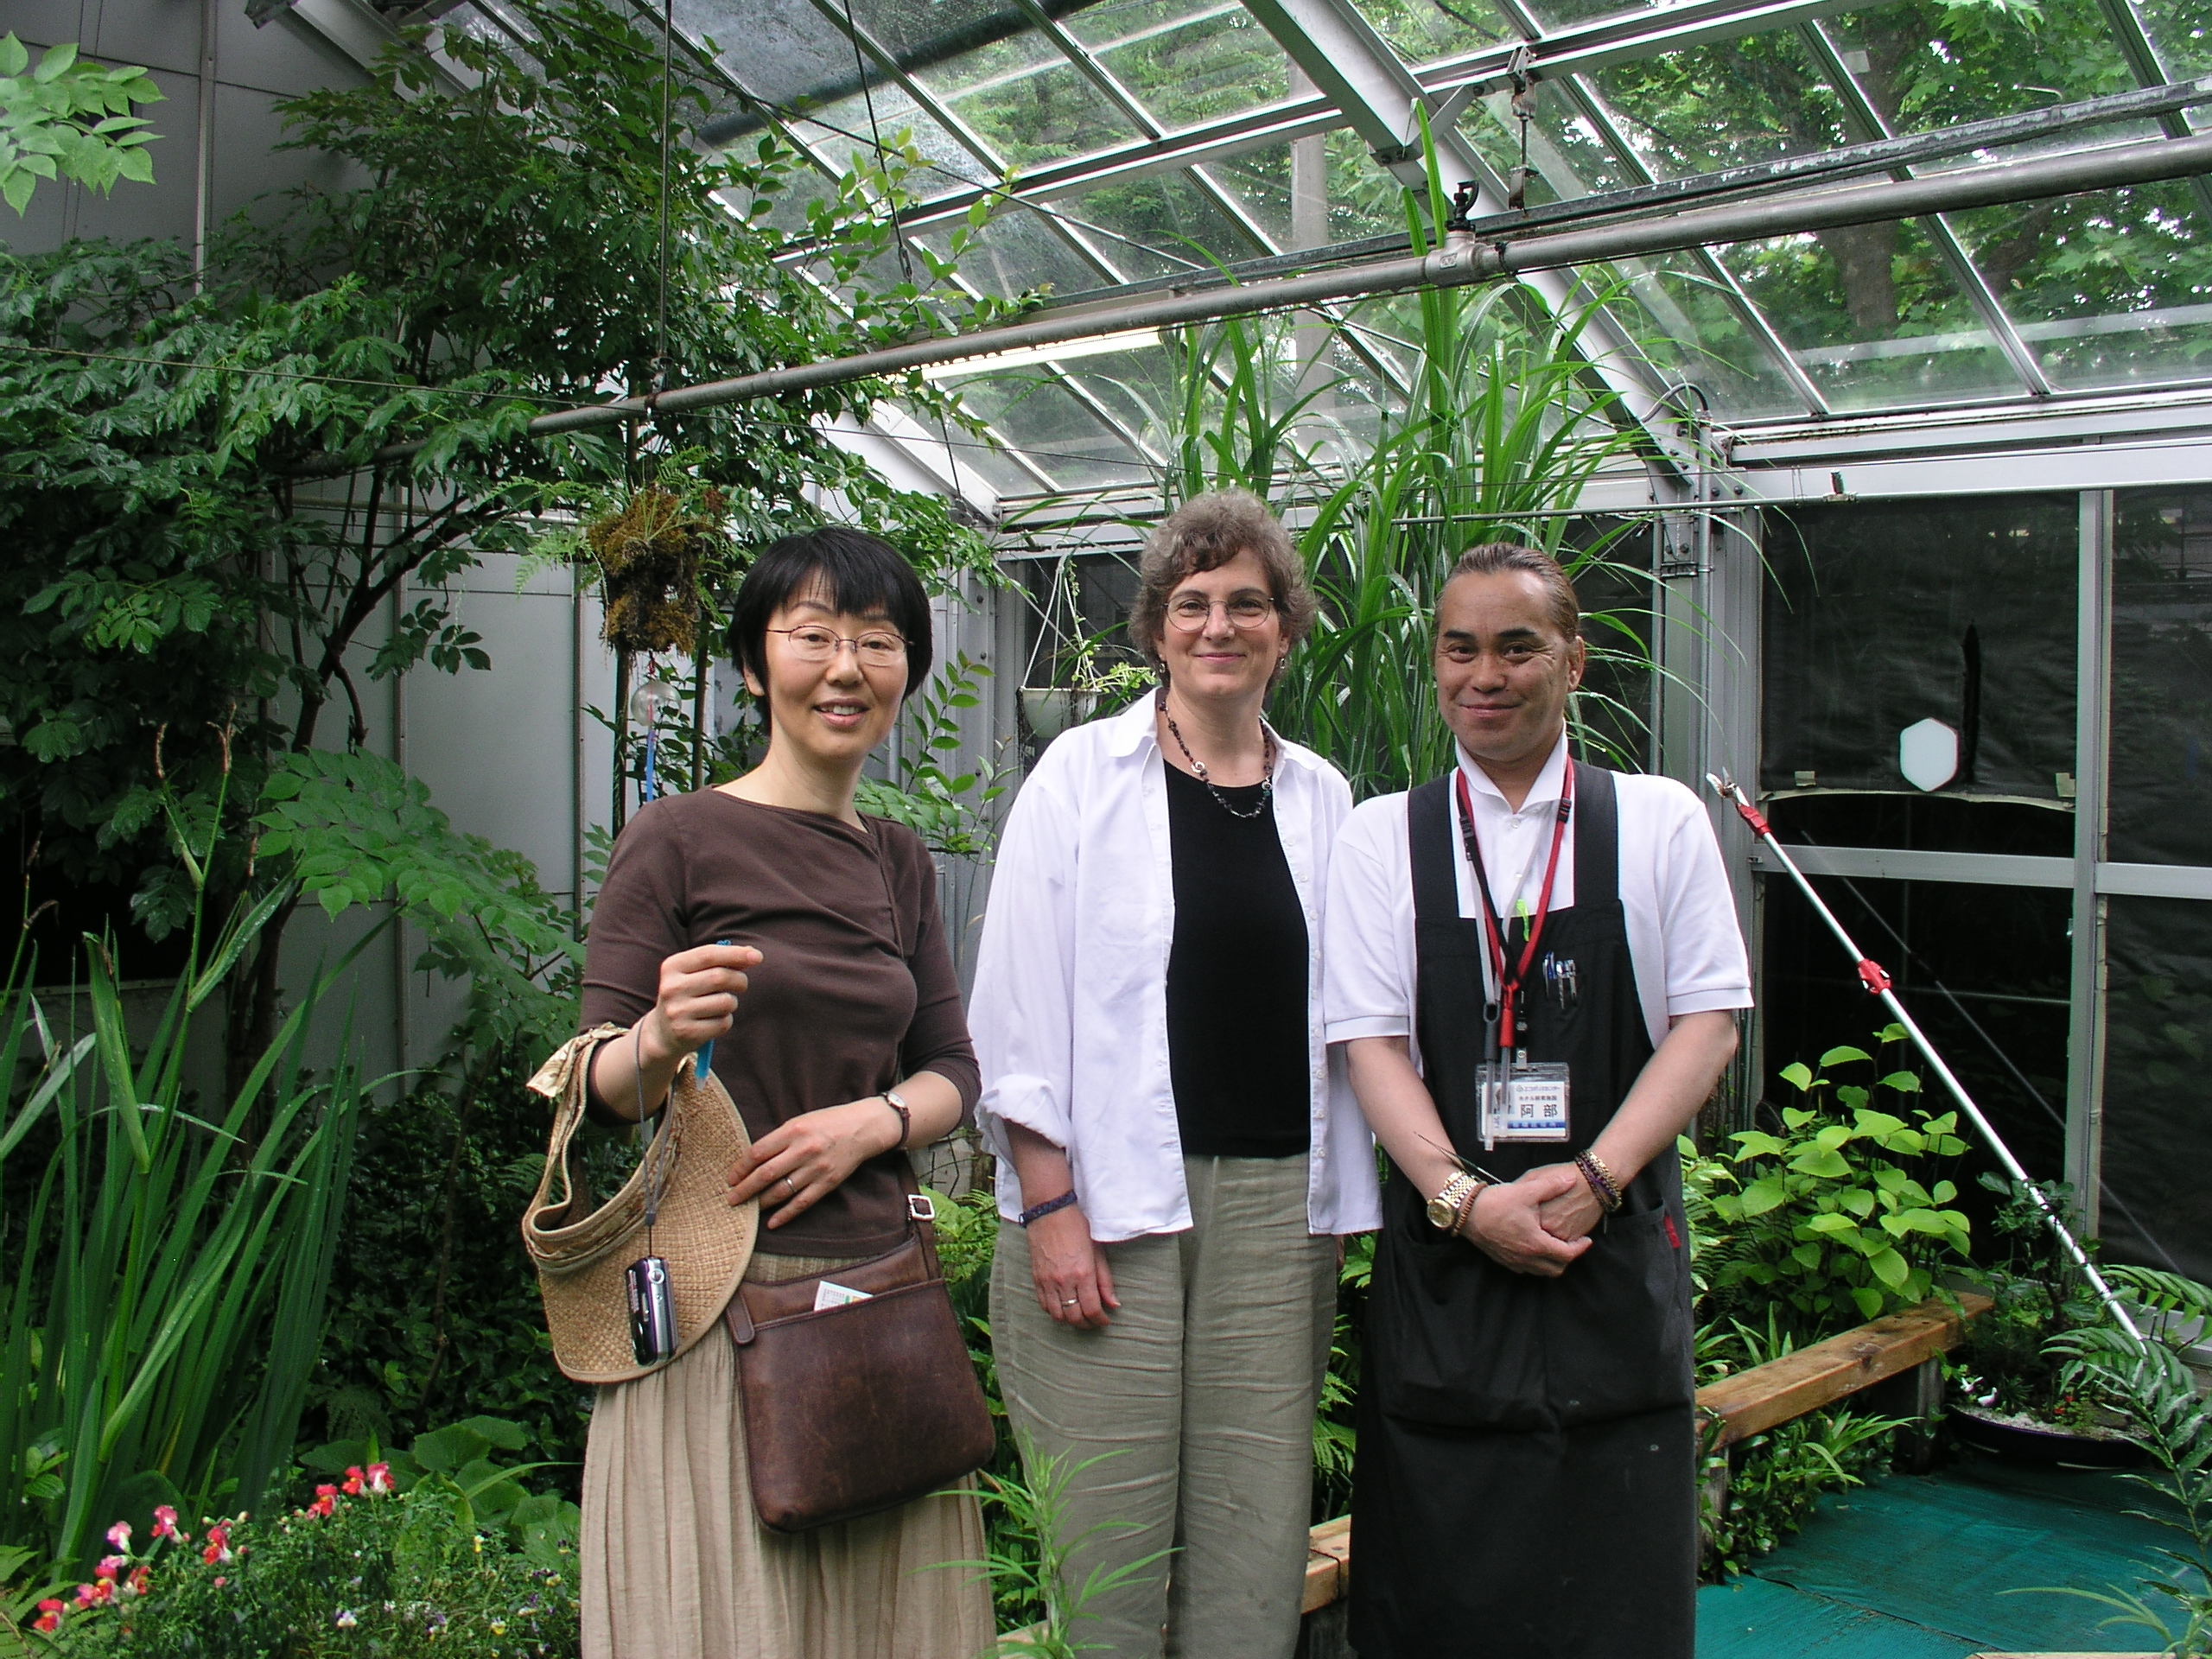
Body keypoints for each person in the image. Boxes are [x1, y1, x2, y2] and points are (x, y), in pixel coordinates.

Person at [969, 488, 1381, 1659]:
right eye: (1191, 603)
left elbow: (1354, 1015)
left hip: (1274, 1215)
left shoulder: (1324, 799)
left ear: (1285, 630)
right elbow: (1015, 1004)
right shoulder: (1077, 780)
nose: (1218, 625)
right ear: (1155, 630)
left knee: (1254, 1555)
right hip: (1103, 1208)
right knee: (1106, 1556)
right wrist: (1046, 1203)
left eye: (1247, 603)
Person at [572, 525, 994, 1659]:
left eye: (879, 640)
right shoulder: (677, 839)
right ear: (756, 666)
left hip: (874, 1300)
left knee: (881, 1624)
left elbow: (953, 1071)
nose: (846, 666)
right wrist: (658, 1039)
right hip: (721, 1301)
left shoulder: (898, 859)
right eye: (812, 636)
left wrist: (872, 1123)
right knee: (734, 1620)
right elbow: (594, 1080)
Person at [1323, 543, 1751, 1659]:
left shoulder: (1657, 823)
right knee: (1440, 1588)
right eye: (1460, 648)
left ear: (1575, 662)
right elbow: (1368, 1041)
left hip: (1606, 1258)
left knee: (1614, 1594)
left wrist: (1599, 1178)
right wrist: (1464, 1198)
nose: (1486, 674)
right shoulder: (1382, 837)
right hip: (1451, 1272)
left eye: (1519, 648)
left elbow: (1708, 1021)